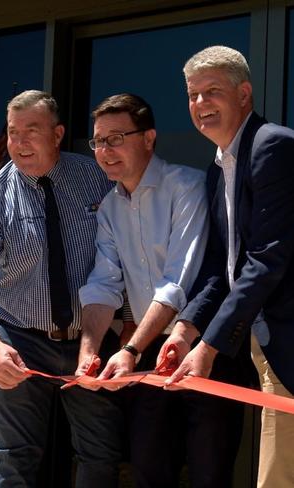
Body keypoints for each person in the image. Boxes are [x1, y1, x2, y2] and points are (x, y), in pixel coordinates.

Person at [76, 93, 247, 487]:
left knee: (210, 474)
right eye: (99, 141)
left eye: (116, 138)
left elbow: (179, 281)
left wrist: (130, 348)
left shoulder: (187, 186)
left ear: (149, 138)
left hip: (205, 346)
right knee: (149, 471)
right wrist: (88, 352)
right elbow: (103, 286)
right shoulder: (108, 208)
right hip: (147, 353)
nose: (105, 150)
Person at [0, 89, 124, 487]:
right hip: (20, 342)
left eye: (31, 131)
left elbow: (126, 250)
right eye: (12, 132)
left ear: (57, 135)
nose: (19, 142)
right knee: (15, 460)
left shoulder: (95, 177)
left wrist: (123, 324)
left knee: (100, 453)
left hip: (91, 341)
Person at [163, 45, 294, 488]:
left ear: (244, 94)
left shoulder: (272, 146)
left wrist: (209, 347)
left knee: (276, 475)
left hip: (288, 337)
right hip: (262, 339)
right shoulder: (218, 168)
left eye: (212, 92)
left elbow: (266, 259)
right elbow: (222, 267)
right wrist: (185, 331)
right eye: (192, 95)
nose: (200, 105)